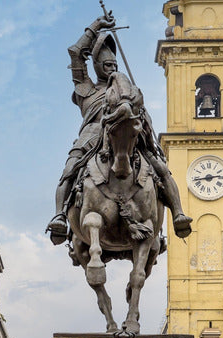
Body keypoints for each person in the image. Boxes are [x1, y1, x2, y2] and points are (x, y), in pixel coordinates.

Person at [47, 14, 192, 244]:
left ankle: (178, 213)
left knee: (161, 169)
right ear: (97, 66)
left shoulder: (124, 89)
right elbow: (75, 53)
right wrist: (96, 26)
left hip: (126, 133)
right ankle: (60, 216)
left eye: (114, 65)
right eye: (107, 65)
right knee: (70, 169)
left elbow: (140, 113)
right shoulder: (86, 88)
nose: (112, 68)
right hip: (92, 136)